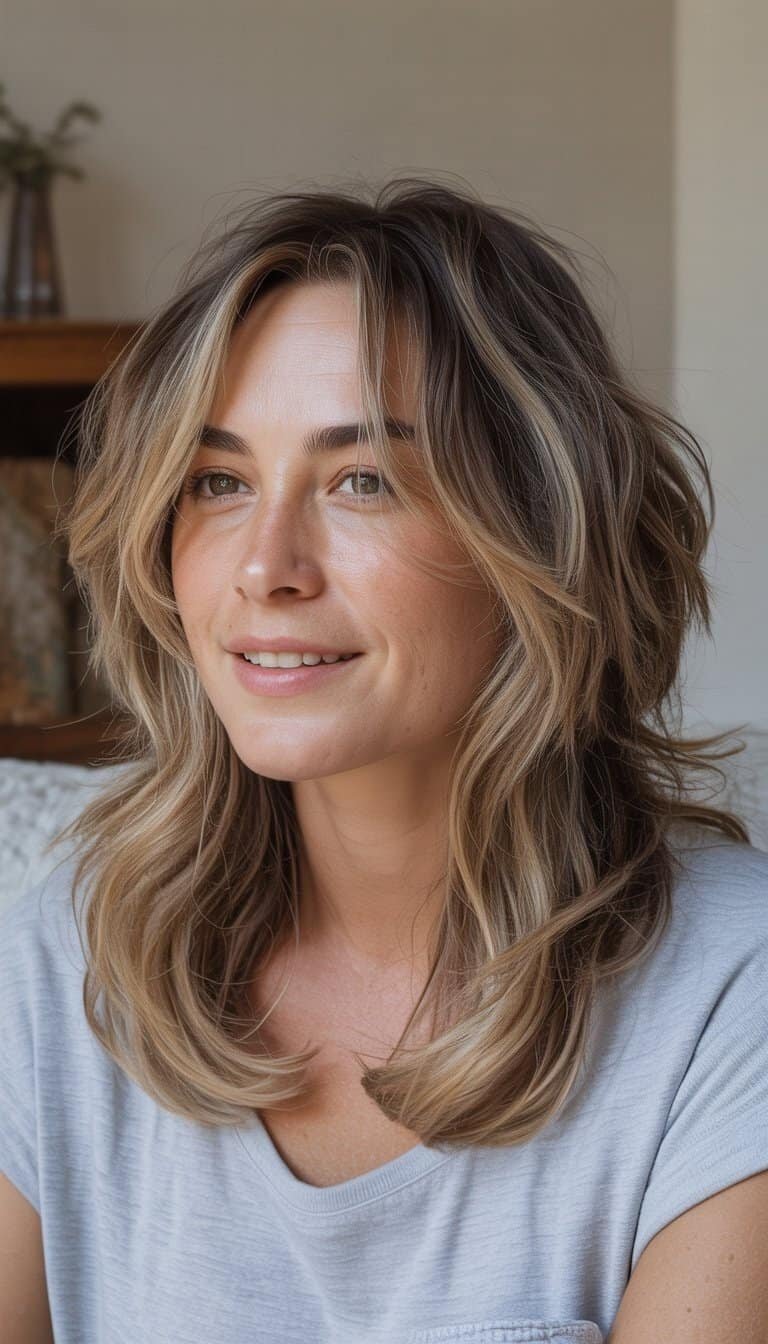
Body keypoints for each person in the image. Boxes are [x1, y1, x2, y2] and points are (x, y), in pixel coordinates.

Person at [1, 176, 766, 1344]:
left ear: (541, 531)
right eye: (218, 482)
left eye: (363, 480)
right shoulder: (67, 950)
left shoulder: (729, 995)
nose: (266, 566)